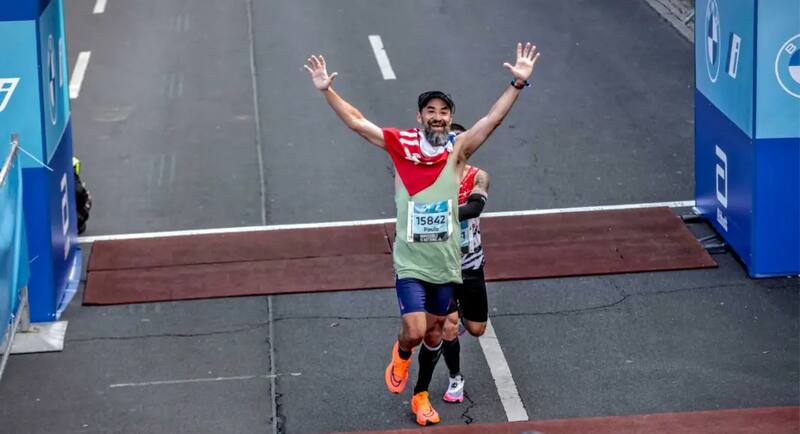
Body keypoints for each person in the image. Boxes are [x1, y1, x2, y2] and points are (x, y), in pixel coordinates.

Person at [303, 42, 540, 426]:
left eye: (444, 112)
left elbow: (491, 121)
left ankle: (421, 395)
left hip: (446, 263)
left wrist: (516, 83)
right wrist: (326, 90)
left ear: (450, 119)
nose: (438, 117)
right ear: (419, 117)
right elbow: (357, 121)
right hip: (411, 261)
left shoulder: (458, 150)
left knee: (435, 333)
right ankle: (400, 354)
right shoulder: (403, 145)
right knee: (414, 332)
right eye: (430, 111)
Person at [438, 123, 491, 404]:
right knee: (448, 326)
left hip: (471, 263)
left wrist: (432, 212)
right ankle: (455, 377)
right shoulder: (431, 178)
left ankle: (458, 315)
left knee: (476, 329)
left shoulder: (478, 176)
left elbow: (473, 208)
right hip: (441, 266)